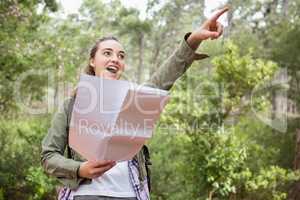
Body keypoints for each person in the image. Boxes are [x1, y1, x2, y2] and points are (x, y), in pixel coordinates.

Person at [41, 6, 229, 200]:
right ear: (92, 61)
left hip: (130, 195)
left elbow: (167, 74)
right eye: (107, 53)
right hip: (86, 195)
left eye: (121, 56)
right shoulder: (72, 105)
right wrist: (80, 169)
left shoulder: (134, 99)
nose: (115, 59)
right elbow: (49, 156)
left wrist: (195, 39)